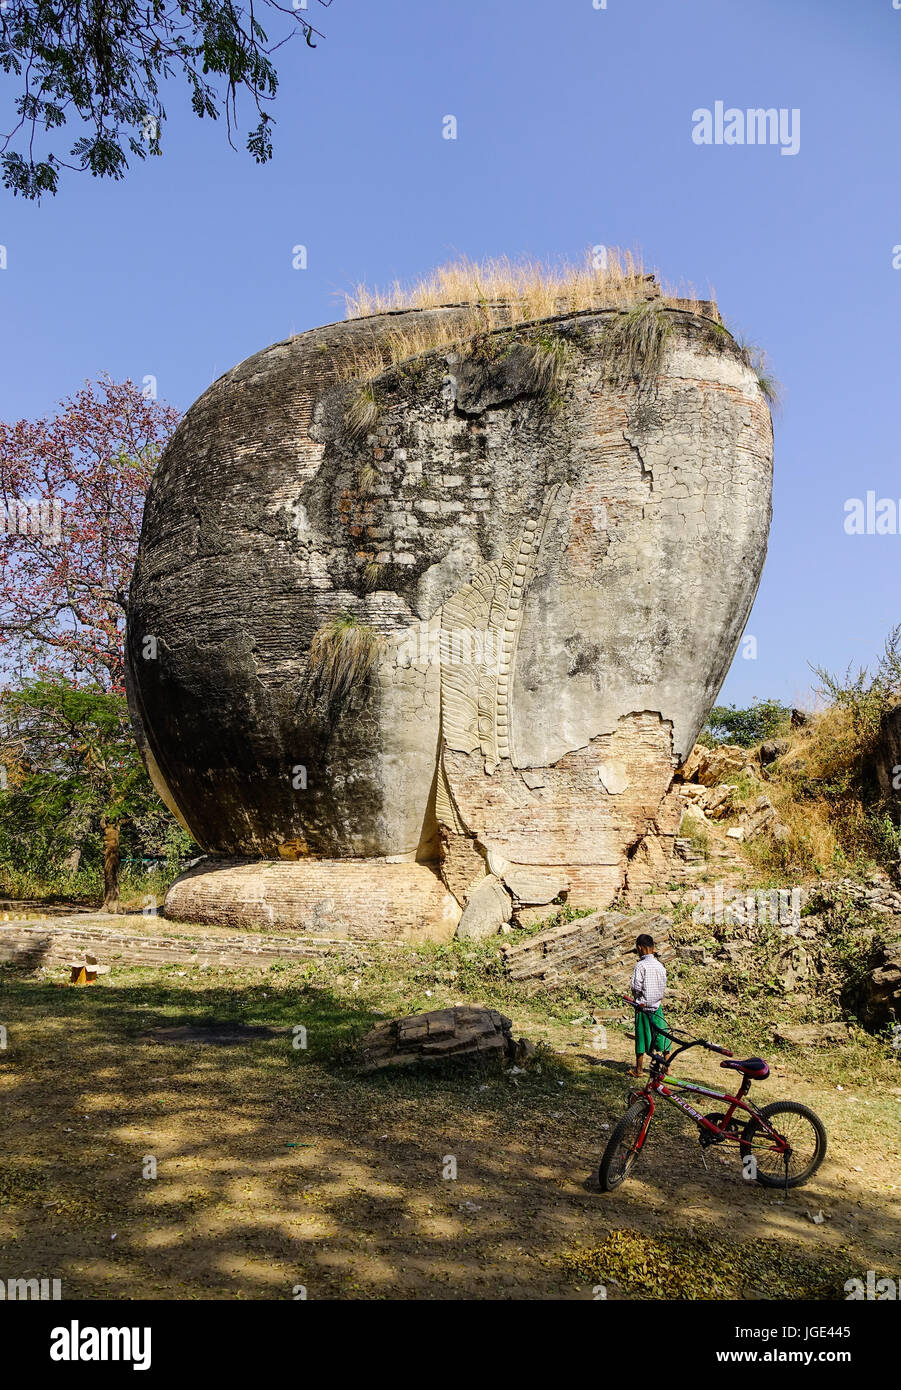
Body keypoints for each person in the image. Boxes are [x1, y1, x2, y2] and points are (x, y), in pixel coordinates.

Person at [629, 933, 671, 1077]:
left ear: (639, 948)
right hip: (657, 1007)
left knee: (641, 1037)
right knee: (662, 1036)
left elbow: (636, 987)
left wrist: (637, 998)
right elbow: (663, 985)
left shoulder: (640, 966)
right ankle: (667, 1068)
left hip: (643, 1008)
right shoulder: (660, 966)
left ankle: (639, 1069)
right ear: (653, 948)